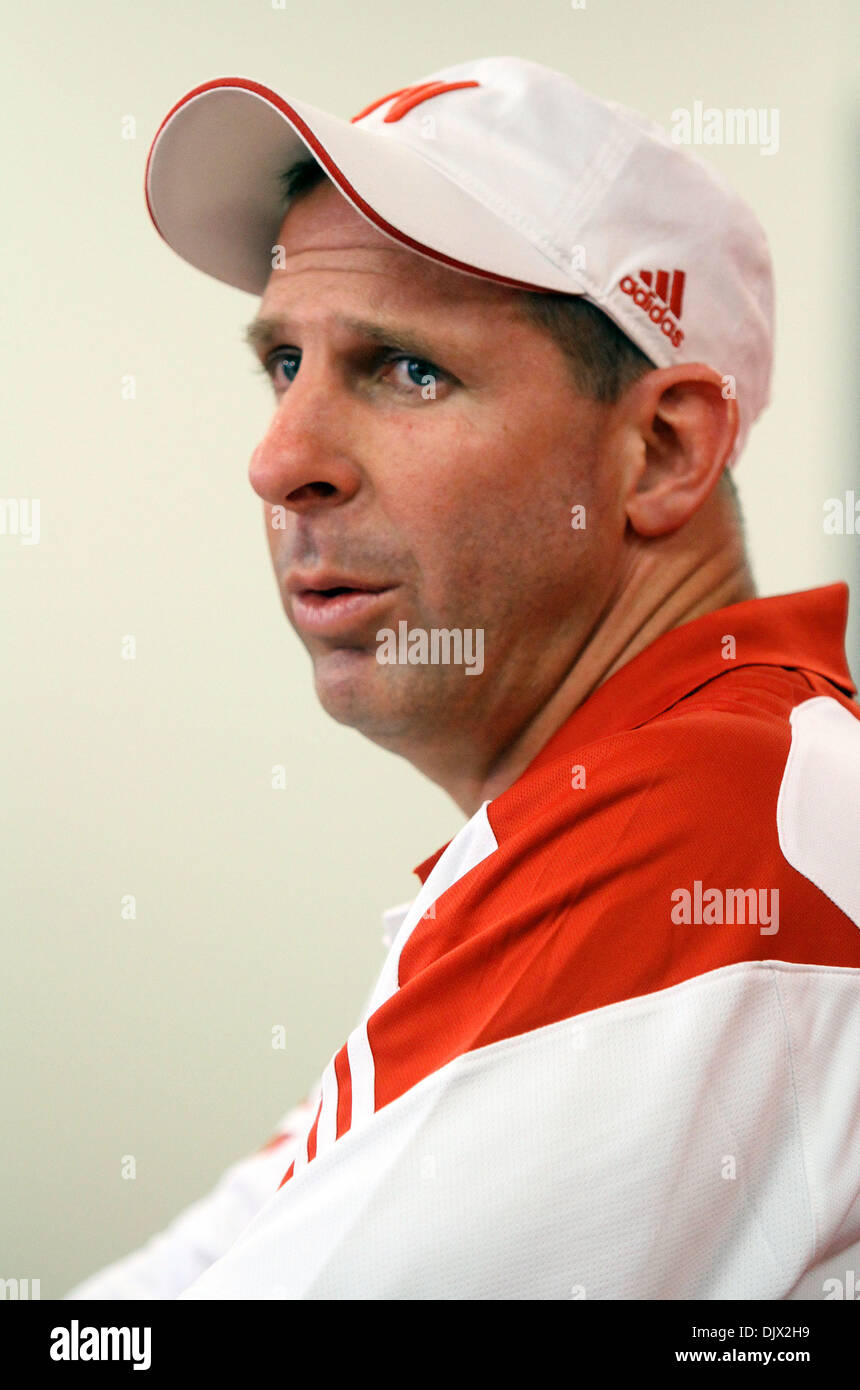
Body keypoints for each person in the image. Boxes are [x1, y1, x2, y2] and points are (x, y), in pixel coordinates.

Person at [66, 56, 860, 1300]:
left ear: (658, 450)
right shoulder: (656, 797)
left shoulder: (718, 820)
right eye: (284, 364)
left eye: (403, 369)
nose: (280, 461)